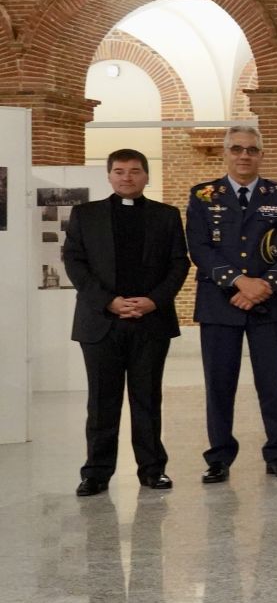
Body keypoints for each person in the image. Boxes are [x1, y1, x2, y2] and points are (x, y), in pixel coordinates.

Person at [65, 149, 188, 497]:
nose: (126, 177)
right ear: (109, 176)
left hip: (150, 321)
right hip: (101, 321)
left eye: (134, 171)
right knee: (101, 402)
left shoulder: (166, 216)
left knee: (147, 398)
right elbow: (74, 262)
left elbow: (179, 263)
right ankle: (96, 473)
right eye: (119, 171)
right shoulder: (85, 214)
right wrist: (109, 301)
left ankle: (152, 470)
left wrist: (153, 301)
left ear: (146, 176)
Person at [187, 126, 277, 484]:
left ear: (261, 154)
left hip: (269, 303)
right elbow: (199, 247)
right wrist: (239, 282)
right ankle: (219, 457)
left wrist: (265, 285)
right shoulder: (203, 195)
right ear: (226, 153)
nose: (244, 155)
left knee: (273, 384)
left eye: (252, 149)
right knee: (219, 385)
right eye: (236, 149)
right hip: (219, 304)